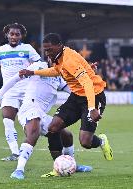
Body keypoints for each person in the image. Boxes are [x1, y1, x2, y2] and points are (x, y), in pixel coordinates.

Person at [19, 33, 113, 167]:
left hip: (93, 94)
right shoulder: (59, 56)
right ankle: (58, 166)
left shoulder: (69, 60)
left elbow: (87, 83)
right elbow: (56, 71)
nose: (47, 52)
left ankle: (101, 141)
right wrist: (33, 72)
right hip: (76, 96)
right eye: (45, 50)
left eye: (49, 49)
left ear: (59, 46)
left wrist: (92, 108)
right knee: (53, 127)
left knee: (85, 142)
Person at [0, 61, 92, 179]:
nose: (53, 59)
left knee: (66, 135)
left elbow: (74, 91)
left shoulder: (58, 77)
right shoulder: (38, 67)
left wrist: (87, 78)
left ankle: (71, 164)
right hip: (29, 108)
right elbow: (14, 79)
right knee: (34, 132)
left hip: (41, 114)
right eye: (51, 56)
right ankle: (19, 170)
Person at [0, 23, 41, 161]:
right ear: (7, 35)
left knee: (29, 125)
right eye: (11, 34)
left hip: (28, 90)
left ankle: (29, 146)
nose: (14, 36)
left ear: (22, 36)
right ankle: (15, 153)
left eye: (17, 34)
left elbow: (39, 64)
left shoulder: (28, 49)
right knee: (7, 121)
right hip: (9, 91)